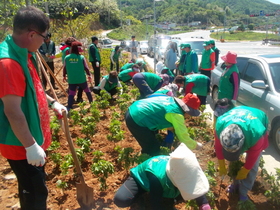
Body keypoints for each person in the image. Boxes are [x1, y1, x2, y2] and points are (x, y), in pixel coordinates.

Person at [0, 6, 67, 210]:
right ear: (32, 34)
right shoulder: (9, 63)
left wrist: (52, 102)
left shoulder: (24, 54)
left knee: (33, 187)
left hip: (29, 140)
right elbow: (12, 110)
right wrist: (30, 146)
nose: (45, 41)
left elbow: (34, 89)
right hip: (20, 143)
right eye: (45, 36)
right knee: (35, 193)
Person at [114, 143, 211, 210]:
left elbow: (194, 181)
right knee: (121, 200)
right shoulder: (157, 177)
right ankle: (141, 198)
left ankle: (169, 199)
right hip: (143, 181)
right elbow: (156, 205)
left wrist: (204, 204)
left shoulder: (184, 165)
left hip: (165, 183)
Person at [215, 106, 269, 203]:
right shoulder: (221, 125)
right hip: (239, 112)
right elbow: (218, 147)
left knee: (253, 167)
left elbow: (252, 159)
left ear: (242, 144)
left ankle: (243, 192)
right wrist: (221, 164)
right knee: (233, 161)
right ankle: (235, 184)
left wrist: (245, 170)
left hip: (257, 119)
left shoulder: (256, 135)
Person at [125, 93, 203, 156]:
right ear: (187, 111)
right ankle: (147, 164)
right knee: (153, 149)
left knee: (151, 137)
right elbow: (183, 136)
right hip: (136, 119)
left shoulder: (171, 100)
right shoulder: (177, 115)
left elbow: (163, 115)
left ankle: (145, 152)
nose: (189, 116)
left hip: (134, 108)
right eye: (190, 114)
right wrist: (196, 145)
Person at [63, 41, 93, 110]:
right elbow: (86, 68)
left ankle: (69, 106)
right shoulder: (81, 57)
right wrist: (89, 75)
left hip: (72, 79)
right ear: (77, 49)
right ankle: (92, 103)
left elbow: (64, 68)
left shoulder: (67, 58)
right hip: (81, 79)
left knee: (71, 93)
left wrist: (64, 76)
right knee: (87, 90)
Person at [60, 36, 83, 103]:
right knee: (77, 84)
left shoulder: (64, 49)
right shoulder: (68, 50)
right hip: (72, 69)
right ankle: (77, 98)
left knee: (72, 84)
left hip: (68, 69)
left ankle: (72, 99)